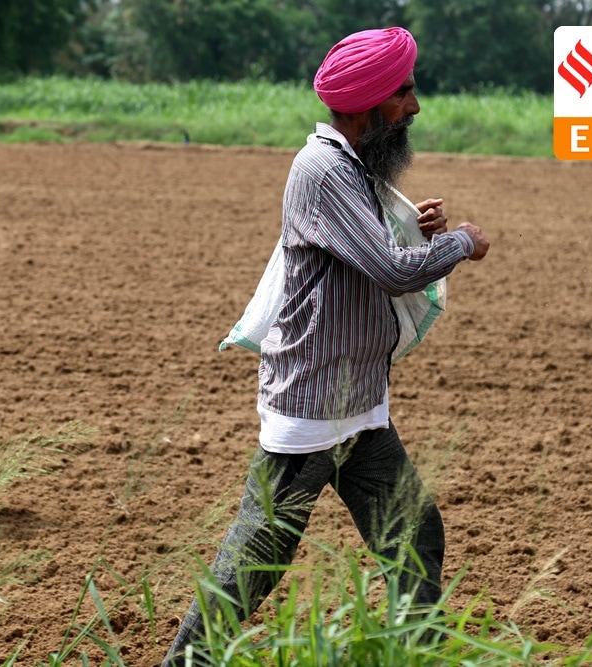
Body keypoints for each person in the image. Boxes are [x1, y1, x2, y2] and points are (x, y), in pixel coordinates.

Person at [162, 27, 490, 666]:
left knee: (414, 532)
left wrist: (418, 233)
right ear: (370, 105)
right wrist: (461, 243)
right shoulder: (324, 169)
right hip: (313, 407)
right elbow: (392, 271)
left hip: (357, 405)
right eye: (404, 93)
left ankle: (409, 658)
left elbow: (370, 254)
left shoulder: (351, 167)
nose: (415, 106)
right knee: (258, 557)